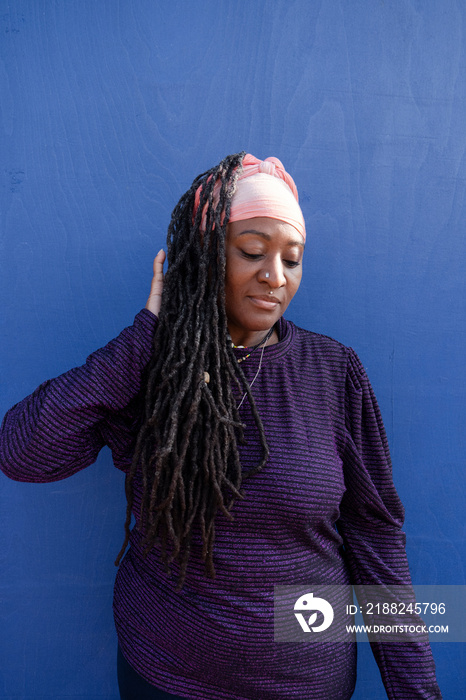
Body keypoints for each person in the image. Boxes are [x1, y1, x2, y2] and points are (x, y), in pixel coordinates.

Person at [0, 152, 442, 699]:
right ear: (206, 257)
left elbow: (375, 539)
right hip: (164, 675)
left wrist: (417, 692)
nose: (275, 277)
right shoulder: (151, 370)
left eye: (293, 258)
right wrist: (146, 334)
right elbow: (23, 454)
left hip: (305, 684)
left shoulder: (333, 372)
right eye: (252, 251)